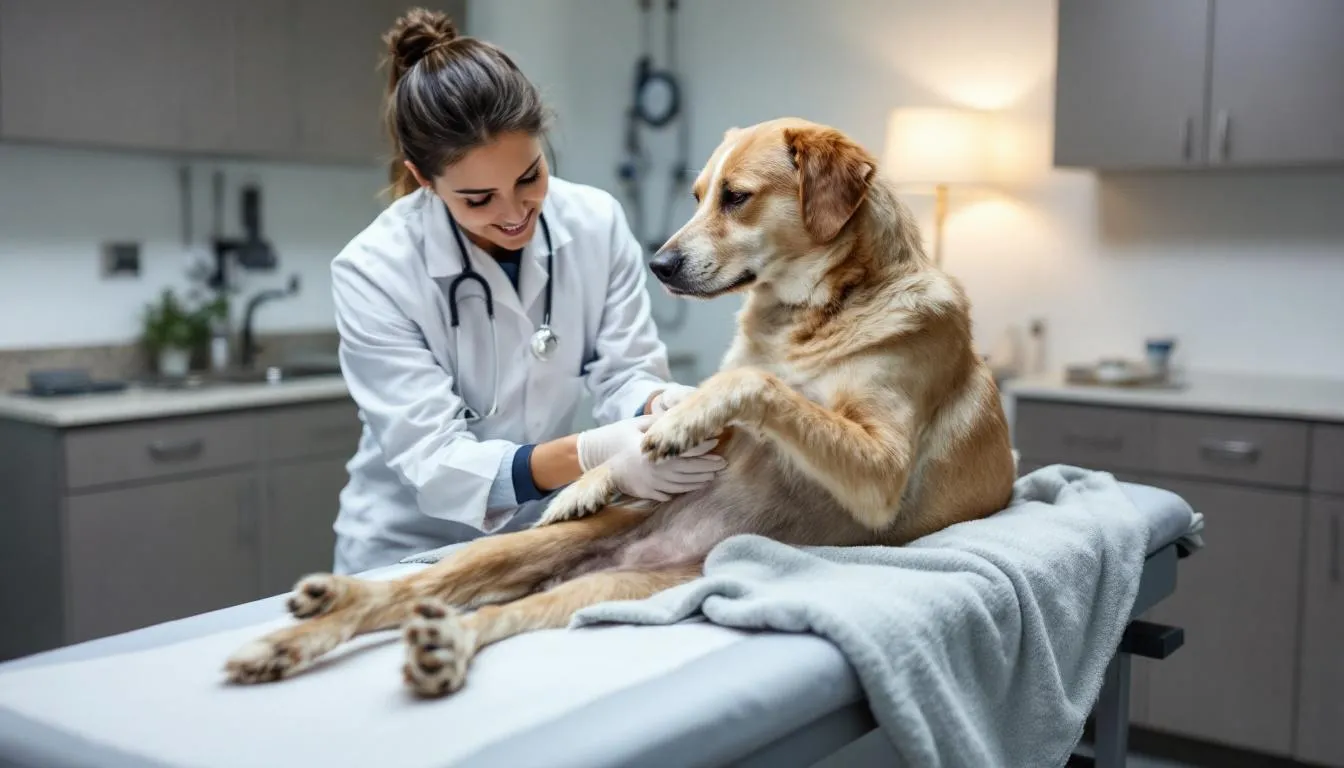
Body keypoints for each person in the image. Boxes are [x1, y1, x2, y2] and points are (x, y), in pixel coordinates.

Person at [327, 9, 722, 574]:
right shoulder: (375, 270)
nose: (514, 214)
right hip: (405, 548)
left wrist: (661, 406)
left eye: (529, 177)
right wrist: (592, 453)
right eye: (478, 199)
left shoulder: (595, 222)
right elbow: (436, 463)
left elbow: (625, 371)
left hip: (536, 535)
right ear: (423, 179)